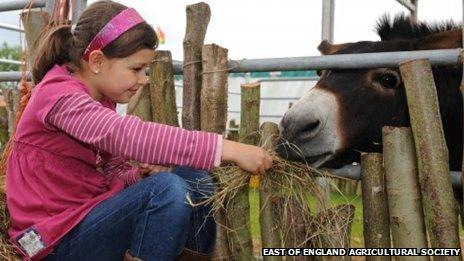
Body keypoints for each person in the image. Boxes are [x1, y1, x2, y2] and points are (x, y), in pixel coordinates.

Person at [4, 1, 273, 260]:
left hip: (87, 219)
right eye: (136, 69)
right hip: (53, 240)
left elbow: (110, 172)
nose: (143, 80)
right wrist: (226, 148)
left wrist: (138, 176)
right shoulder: (59, 97)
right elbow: (126, 135)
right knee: (166, 190)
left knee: (192, 177)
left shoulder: (101, 102)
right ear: (97, 61)